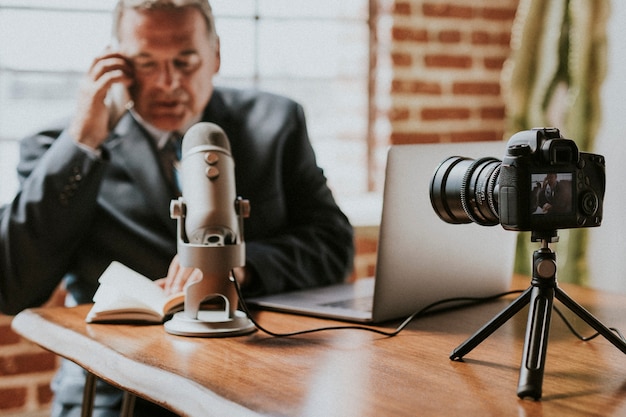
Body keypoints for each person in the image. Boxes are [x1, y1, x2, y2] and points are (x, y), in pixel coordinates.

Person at [0, 1, 354, 415]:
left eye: (185, 62)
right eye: (146, 64)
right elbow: (13, 287)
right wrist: (84, 142)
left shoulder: (277, 124)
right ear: (116, 63)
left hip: (258, 387)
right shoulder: (61, 148)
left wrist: (238, 269)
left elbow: (333, 246)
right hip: (116, 395)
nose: (168, 84)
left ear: (216, 55)